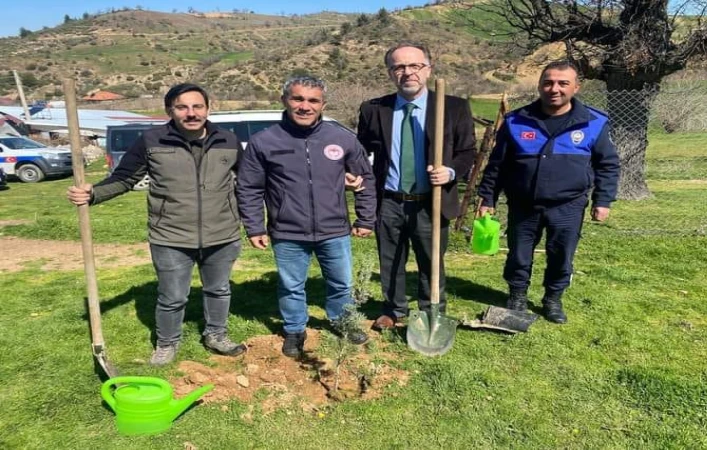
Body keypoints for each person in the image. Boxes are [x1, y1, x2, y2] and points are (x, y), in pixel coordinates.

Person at [67, 83, 247, 365]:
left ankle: (216, 335)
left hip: (222, 234)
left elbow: (248, 184)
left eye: (197, 106)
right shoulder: (152, 141)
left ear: (208, 108)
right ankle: (167, 344)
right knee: (173, 296)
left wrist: (257, 223)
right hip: (170, 236)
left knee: (219, 289)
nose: (191, 113)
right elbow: (125, 178)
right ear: (170, 111)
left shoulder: (228, 140)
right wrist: (93, 194)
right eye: (182, 107)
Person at [236, 75, 376, 358]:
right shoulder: (264, 141)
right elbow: (249, 188)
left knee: (341, 283)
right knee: (291, 285)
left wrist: (365, 218)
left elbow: (365, 178)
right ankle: (295, 329)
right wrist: (254, 227)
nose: (304, 106)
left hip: (334, 229)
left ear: (323, 104)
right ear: (284, 101)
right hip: (287, 231)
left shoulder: (342, 138)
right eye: (297, 99)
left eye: (313, 100)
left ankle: (341, 320)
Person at [477, 60, 620, 324]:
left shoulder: (594, 122)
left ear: (576, 87)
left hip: (568, 205)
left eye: (563, 83)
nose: (554, 88)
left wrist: (603, 200)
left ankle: (553, 299)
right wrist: (487, 197)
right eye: (548, 82)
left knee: (561, 254)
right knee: (519, 254)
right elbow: (497, 165)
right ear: (540, 85)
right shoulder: (516, 120)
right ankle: (517, 295)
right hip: (523, 204)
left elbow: (607, 164)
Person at [357, 42, 476, 330]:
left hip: (431, 200)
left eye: (415, 66)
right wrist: (356, 174)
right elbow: (361, 151)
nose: (407, 72)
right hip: (390, 200)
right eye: (399, 67)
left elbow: (467, 152)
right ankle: (393, 310)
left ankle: (431, 310)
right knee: (391, 259)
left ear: (428, 69)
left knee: (431, 261)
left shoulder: (453, 107)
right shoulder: (374, 109)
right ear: (390, 73)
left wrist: (450, 172)